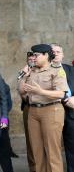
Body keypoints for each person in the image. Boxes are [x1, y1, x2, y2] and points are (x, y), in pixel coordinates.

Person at [18, 44, 68, 172]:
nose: (33, 58)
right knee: (36, 151)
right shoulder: (32, 70)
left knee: (52, 152)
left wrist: (41, 91)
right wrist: (24, 76)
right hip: (33, 111)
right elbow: (21, 92)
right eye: (33, 55)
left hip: (51, 110)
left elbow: (62, 93)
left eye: (36, 55)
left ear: (46, 55)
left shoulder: (57, 70)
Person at [51, 43, 74, 172]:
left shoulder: (71, 70)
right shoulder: (42, 71)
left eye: (58, 52)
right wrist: (65, 98)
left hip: (71, 115)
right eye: (52, 52)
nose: (55, 54)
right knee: (52, 149)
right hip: (52, 114)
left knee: (72, 149)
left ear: (63, 54)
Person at [19, 51, 36, 172]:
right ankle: (33, 168)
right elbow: (21, 92)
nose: (31, 61)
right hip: (28, 107)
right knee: (30, 141)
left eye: (33, 59)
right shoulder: (24, 71)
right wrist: (24, 75)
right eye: (29, 59)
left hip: (44, 108)